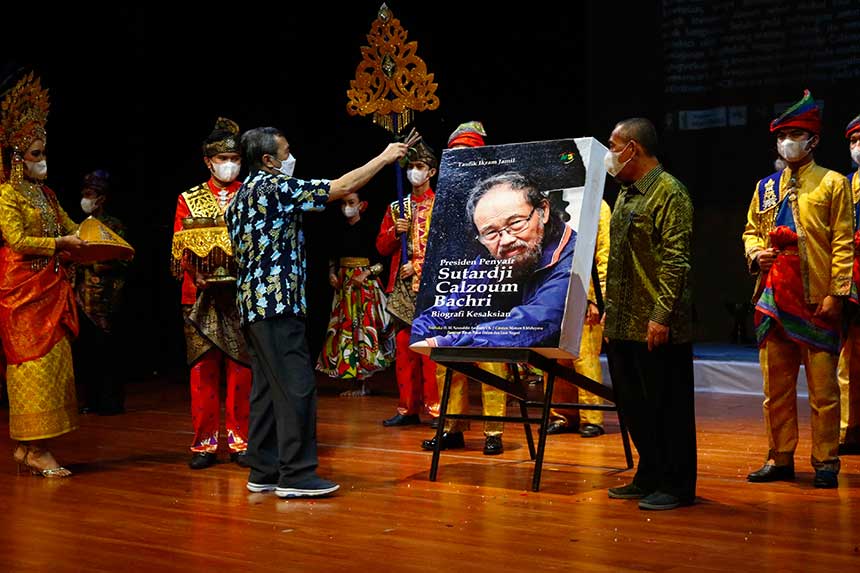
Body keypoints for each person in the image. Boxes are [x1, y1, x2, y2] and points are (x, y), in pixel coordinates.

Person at [225, 126, 417, 498]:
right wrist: (384, 157)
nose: (290, 157)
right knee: (297, 385)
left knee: (266, 389)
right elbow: (339, 187)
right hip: (277, 304)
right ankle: (296, 475)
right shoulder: (272, 187)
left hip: (251, 305)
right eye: (285, 152)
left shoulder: (239, 198)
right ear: (268, 161)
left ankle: (263, 469)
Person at [742, 90, 852, 488]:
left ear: (813, 141)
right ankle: (780, 456)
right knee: (776, 388)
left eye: (794, 134)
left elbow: (843, 242)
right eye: (781, 135)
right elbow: (751, 231)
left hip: (816, 298)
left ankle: (826, 461)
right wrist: (756, 255)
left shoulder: (833, 184)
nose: (786, 141)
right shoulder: (766, 187)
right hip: (773, 297)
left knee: (823, 390)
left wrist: (837, 293)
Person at [602, 117, 696, 511]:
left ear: (633, 149)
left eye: (613, 144)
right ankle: (650, 473)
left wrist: (660, 315)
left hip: (657, 324)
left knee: (667, 405)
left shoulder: (670, 193)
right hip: (624, 322)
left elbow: (676, 262)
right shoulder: (625, 193)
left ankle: (676, 484)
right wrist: (609, 312)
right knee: (634, 405)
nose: (609, 153)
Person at [0, 72, 86, 477]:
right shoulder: (7, 194)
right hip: (22, 292)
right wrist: (60, 245)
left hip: (52, 288)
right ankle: (36, 449)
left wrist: (98, 239)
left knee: (54, 365)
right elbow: (16, 240)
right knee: (31, 365)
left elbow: (74, 227)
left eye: (44, 151)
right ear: (18, 156)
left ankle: (29, 447)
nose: (43, 159)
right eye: (36, 153)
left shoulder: (47, 195)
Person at [419, 121, 508, 456]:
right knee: (446, 358)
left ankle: (494, 431)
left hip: (487, 282)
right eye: (454, 155)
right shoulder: (441, 198)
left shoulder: (498, 193)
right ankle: (451, 426)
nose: (459, 161)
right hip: (450, 284)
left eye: (465, 155)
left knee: (490, 358)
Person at [411, 170, 576, 349]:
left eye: (516, 223)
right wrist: (418, 330)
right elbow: (455, 302)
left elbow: (540, 319)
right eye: (490, 233)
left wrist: (445, 342)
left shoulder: (571, 252)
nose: (506, 240)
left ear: (543, 211)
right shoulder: (488, 258)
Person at [172, 117, 252, 470]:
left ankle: (240, 440)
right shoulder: (188, 199)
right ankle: (204, 444)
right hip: (199, 295)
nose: (229, 165)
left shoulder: (250, 195)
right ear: (209, 162)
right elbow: (179, 245)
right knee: (202, 370)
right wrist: (196, 273)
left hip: (239, 295)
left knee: (240, 369)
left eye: (235, 158)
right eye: (223, 159)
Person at [377, 141, 442, 427]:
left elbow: (447, 250)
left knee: (431, 350)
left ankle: (436, 408)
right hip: (402, 288)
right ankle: (408, 408)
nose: (414, 172)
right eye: (411, 167)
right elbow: (380, 247)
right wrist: (395, 232)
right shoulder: (396, 208)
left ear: (432, 171)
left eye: (419, 167)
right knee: (405, 350)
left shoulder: (441, 205)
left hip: (431, 286)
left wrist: (416, 265)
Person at [316, 189, 394, 396]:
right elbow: (332, 256)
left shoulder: (370, 229)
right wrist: (332, 273)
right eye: (343, 204)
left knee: (363, 331)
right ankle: (350, 379)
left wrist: (365, 274)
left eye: (351, 203)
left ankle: (364, 382)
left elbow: (381, 262)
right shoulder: (337, 230)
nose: (346, 208)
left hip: (364, 288)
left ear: (361, 205)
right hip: (344, 287)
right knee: (345, 331)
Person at [544, 199, 611, 438]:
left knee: (584, 358)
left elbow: (604, 254)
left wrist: (596, 298)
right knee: (554, 358)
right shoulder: (547, 199)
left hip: (584, 290)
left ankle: (591, 416)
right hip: (551, 292)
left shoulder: (597, 205)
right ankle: (561, 414)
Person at [74, 169, 130, 416]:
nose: (85, 198)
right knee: (87, 352)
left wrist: (93, 261)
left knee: (108, 352)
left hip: (107, 297)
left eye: (90, 194)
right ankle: (91, 400)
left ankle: (111, 401)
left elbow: (122, 258)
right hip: (82, 297)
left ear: (101, 198)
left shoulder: (113, 226)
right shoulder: (79, 226)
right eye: (84, 194)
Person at [839, 111, 860, 455]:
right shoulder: (843, 184)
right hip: (853, 279)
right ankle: (849, 429)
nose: (858, 146)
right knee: (849, 358)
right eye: (854, 142)